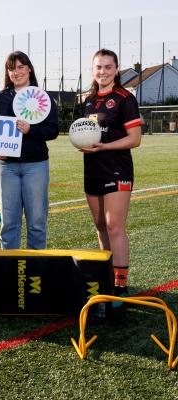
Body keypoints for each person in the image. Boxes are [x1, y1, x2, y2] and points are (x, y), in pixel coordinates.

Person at [81, 49, 142, 305]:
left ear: (116, 69)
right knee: (100, 227)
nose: (103, 72)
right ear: (93, 69)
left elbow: (135, 139)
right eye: (98, 67)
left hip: (117, 169)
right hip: (92, 169)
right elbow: (84, 133)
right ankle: (106, 276)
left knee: (115, 227)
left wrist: (105, 147)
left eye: (108, 67)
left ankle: (120, 285)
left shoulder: (125, 98)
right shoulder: (88, 100)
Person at [0, 51, 59, 250]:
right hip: (6, 166)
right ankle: (9, 267)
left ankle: (36, 266)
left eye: (20, 67)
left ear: (29, 68)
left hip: (35, 165)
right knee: (9, 222)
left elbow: (53, 130)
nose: (16, 72)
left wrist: (31, 130)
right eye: (11, 68)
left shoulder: (42, 97)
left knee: (36, 221)